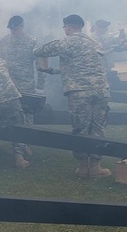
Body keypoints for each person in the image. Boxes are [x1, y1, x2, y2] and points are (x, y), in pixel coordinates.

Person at [33, 14, 111, 179]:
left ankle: (83, 167)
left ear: (67, 27)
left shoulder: (66, 41)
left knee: (81, 128)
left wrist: (43, 66)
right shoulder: (93, 42)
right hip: (101, 90)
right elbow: (81, 65)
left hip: (80, 92)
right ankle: (96, 166)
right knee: (97, 127)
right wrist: (52, 71)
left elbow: (39, 50)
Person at [0, 15, 43, 128]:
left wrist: (40, 86)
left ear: (22, 27)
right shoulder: (4, 41)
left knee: (27, 114)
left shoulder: (33, 42)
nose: (13, 32)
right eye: (11, 29)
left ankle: (26, 142)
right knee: (9, 113)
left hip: (26, 85)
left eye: (15, 29)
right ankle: (15, 143)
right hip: (8, 84)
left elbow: (40, 65)